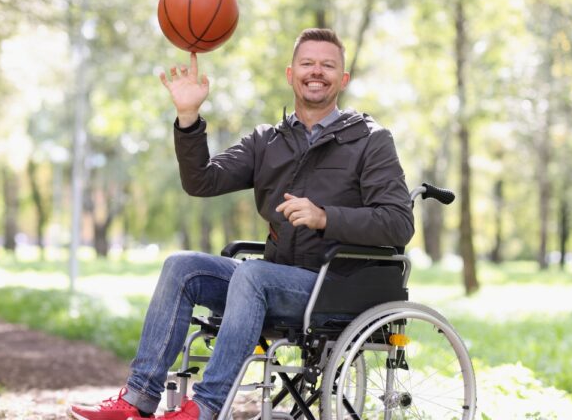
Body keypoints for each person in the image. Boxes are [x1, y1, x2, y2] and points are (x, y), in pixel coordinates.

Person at [68, 28, 414, 420]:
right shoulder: (267, 141)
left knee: (254, 276)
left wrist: (325, 217)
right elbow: (201, 181)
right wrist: (188, 117)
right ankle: (138, 397)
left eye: (328, 65)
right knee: (182, 266)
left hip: (336, 287)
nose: (316, 72)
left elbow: (398, 223)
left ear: (343, 79)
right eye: (307, 63)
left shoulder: (370, 140)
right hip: (275, 281)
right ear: (290, 74)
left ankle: (205, 407)